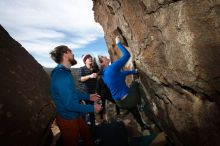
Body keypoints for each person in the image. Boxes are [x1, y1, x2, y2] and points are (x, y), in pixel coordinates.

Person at [50, 45, 102, 146]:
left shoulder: (65, 72)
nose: (73, 54)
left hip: (74, 114)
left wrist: (88, 97)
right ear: (65, 54)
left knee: (86, 133)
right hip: (67, 118)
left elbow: (73, 93)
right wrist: (92, 108)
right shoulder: (62, 76)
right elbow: (69, 105)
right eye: (71, 51)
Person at [97, 36, 150, 131]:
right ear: (102, 63)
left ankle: (142, 125)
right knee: (136, 83)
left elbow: (121, 75)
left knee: (133, 109)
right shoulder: (111, 68)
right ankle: (141, 103)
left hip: (120, 103)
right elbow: (127, 55)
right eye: (103, 57)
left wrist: (133, 72)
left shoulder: (104, 75)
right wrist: (118, 43)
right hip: (128, 100)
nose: (105, 56)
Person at [77, 54, 99, 126]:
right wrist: (90, 76)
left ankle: (92, 126)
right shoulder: (81, 69)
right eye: (88, 58)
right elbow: (80, 79)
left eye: (90, 57)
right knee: (85, 111)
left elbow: (100, 72)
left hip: (92, 93)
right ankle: (85, 126)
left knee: (91, 110)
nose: (90, 58)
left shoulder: (94, 68)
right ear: (85, 61)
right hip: (83, 93)